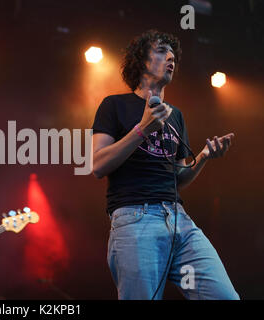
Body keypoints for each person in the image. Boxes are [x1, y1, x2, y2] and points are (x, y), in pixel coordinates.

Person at [91, 30, 239, 300]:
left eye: (173, 55)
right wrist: (142, 129)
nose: (170, 57)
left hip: (179, 220)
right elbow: (99, 164)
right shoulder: (114, 105)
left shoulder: (176, 115)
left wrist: (203, 156)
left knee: (225, 296)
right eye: (161, 51)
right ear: (140, 61)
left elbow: (178, 176)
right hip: (136, 219)